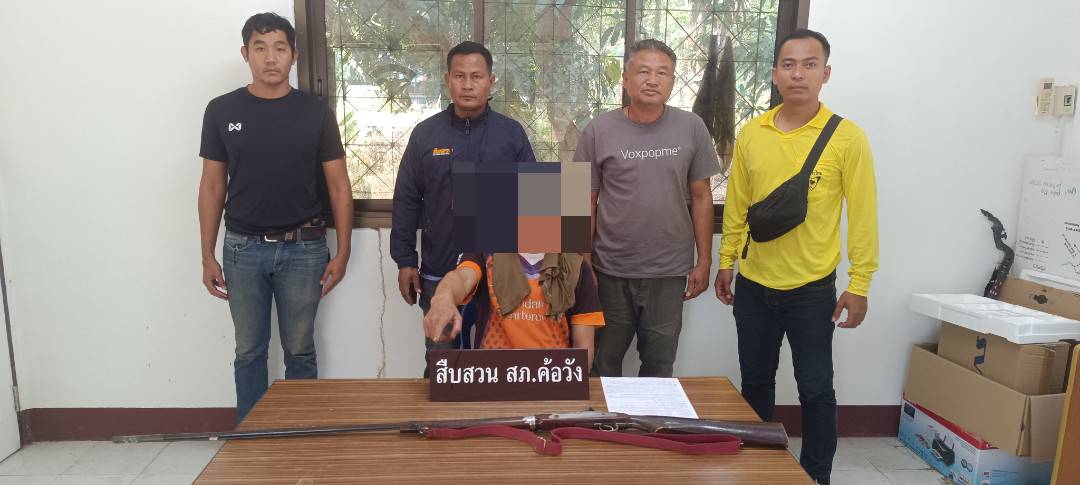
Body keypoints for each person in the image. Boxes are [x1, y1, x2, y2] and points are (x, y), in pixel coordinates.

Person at [714, 29, 878, 485]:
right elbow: (738, 206)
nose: (798, 74)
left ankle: (816, 476)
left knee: (816, 389)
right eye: (788, 64)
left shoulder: (847, 138)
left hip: (812, 290)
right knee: (755, 384)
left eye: (809, 64)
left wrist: (860, 284)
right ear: (775, 74)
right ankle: (758, 471)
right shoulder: (753, 133)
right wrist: (726, 262)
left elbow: (863, 217)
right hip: (754, 285)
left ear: (826, 73)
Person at [197, 12, 353, 422]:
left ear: (294, 55)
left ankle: (298, 433)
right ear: (245, 53)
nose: (270, 58)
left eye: (280, 48)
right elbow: (212, 186)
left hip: (304, 249)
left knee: (299, 349)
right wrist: (207, 255)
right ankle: (250, 437)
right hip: (241, 249)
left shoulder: (315, 113)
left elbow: (339, 185)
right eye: (260, 48)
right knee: (249, 350)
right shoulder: (221, 110)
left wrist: (343, 252)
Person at [575, 39, 720, 377]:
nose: (652, 80)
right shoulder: (598, 130)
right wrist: (583, 260)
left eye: (662, 73)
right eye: (643, 71)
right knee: (602, 363)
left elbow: (702, 196)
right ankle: (603, 416)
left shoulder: (692, 127)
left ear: (672, 80)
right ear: (626, 79)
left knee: (659, 364)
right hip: (609, 270)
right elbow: (582, 198)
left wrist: (704, 259)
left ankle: (651, 416)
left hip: (667, 272)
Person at [390, 41, 536, 372]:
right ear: (447, 80)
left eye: (476, 76)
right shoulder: (426, 135)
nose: (468, 85)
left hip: (499, 273)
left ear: (491, 81)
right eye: (460, 76)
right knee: (442, 365)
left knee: (497, 366)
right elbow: (406, 200)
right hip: (438, 270)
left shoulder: (511, 134)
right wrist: (404, 260)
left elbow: (533, 203)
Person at [424, 252, 603, 366]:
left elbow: (583, 351)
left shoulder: (576, 267)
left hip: (552, 381)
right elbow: (462, 278)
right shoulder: (486, 255)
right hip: (492, 379)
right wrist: (444, 298)